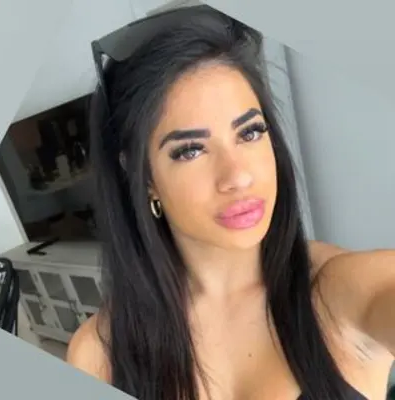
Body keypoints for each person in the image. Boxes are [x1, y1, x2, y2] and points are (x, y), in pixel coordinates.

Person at [66, 5, 395, 400]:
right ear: (145, 178)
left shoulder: (344, 290)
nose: (237, 176)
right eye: (190, 150)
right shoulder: (97, 356)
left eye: (250, 132)